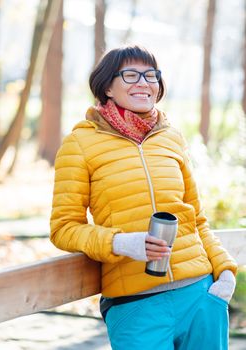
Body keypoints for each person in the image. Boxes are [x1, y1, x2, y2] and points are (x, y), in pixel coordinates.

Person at [50, 45, 237, 350]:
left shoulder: (171, 138)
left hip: (201, 298)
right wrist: (122, 243)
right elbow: (64, 228)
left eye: (151, 75)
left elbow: (197, 218)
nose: (144, 82)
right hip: (136, 305)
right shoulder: (79, 144)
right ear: (107, 85)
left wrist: (225, 274)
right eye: (131, 74)